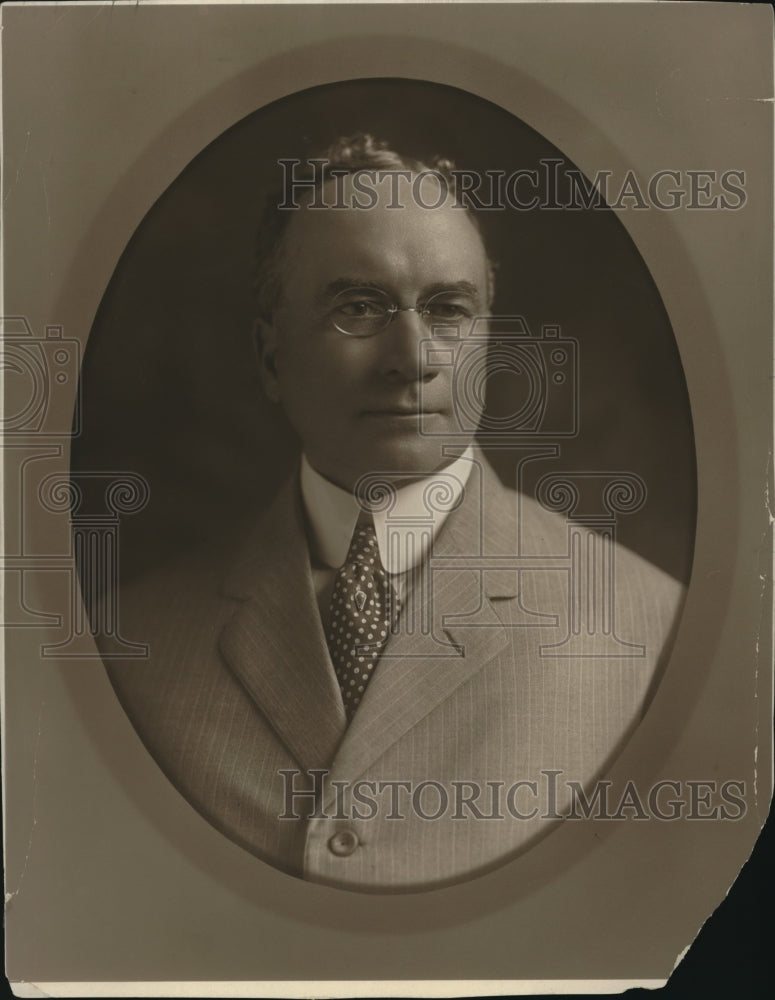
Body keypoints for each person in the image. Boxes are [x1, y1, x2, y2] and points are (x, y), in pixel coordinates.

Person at [103, 135, 684, 892]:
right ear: (269, 357)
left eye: (448, 310)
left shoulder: (649, 629)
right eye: (358, 307)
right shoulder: (130, 647)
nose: (411, 357)